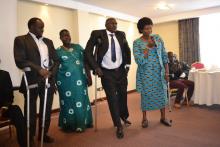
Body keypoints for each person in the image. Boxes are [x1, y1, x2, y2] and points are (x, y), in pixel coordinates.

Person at [14, 17, 59, 144]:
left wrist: (50, 73)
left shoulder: (48, 42)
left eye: (43, 27)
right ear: (32, 27)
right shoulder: (21, 40)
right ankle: (31, 137)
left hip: (47, 80)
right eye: (40, 27)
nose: (43, 29)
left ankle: (43, 134)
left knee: (46, 109)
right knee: (31, 112)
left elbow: (56, 60)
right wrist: (39, 69)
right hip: (31, 80)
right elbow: (20, 60)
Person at [85, 18, 131, 139]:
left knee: (123, 95)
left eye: (116, 23)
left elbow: (127, 50)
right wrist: (95, 67)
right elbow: (87, 52)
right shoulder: (97, 34)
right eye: (112, 23)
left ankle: (124, 117)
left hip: (121, 71)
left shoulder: (121, 34)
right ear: (106, 24)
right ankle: (118, 126)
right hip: (106, 73)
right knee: (112, 99)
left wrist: (128, 65)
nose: (115, 25)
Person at [133, 17, 172, 128]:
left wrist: (167, 72)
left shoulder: (158, 38)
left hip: (160, 73)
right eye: (146, 28)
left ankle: (163, 117)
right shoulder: (137, 43)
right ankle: (144, 118)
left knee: (162, 94)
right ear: (141, 29)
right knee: (146, 95)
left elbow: (164, 56)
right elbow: (139, 60)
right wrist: (148, 48)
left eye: (150, 28)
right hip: (146, 74)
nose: (149, 31)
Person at [56, 29, 93, 132]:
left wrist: (89, 76)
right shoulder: (58, 51)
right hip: (64, 82)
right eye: (63, 36)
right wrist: (54, 82)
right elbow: (55, 67)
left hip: (80, 80)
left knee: (81, 100)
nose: (66, 37)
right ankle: (69, 124)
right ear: (60, 38)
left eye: (67, 35)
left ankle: (83, 123)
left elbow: (86, 62)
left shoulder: (78, 48)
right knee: (67, 102)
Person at [0, 68, 26, 147]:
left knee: (16, 110)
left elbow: (10, 96)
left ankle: (24, 144)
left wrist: (4, 108)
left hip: (3, 108)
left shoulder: (4, 75)